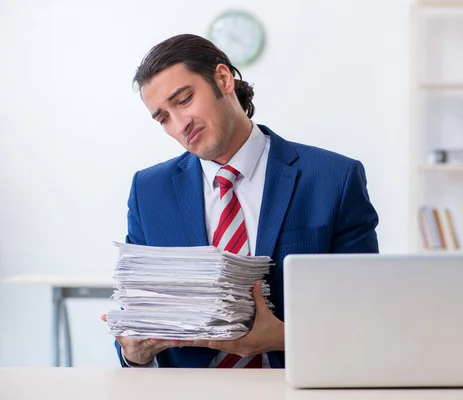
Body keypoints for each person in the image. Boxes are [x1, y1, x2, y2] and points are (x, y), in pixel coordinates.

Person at [106, 33, 379, 369]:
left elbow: (365, 318)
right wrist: (135, 353)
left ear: (223, 79)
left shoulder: (333, 178)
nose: (179, 125)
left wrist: (284, 337)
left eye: (184, 100)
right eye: (163, 118)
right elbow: (138, 322)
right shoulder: (149, 190)